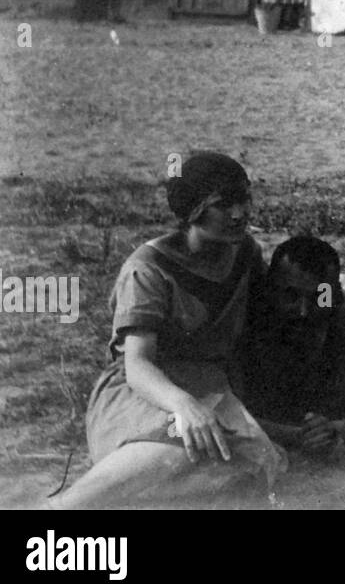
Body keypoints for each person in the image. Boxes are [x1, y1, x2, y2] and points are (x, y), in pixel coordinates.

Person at [50, 153, 286, 509]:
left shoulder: (243, 253)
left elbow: (270, 310)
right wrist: (184, 406)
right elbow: (137, 366)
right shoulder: (148, 269)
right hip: (146, 392)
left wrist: (338, 291)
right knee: (190, 443)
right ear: (192, 211)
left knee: (254, 465)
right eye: (223, 205)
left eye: (243, 200)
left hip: (208, 388)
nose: (239, 214)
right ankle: (66, 507)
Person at [237, 236, 345, 455]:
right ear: (270, 287)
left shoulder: (340, 314)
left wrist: (337, 430)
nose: (303, 311)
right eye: (291, 295)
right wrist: (296, 436)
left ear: (333, 292)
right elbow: (233, 413)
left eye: (318, 297)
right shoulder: (248, 318)